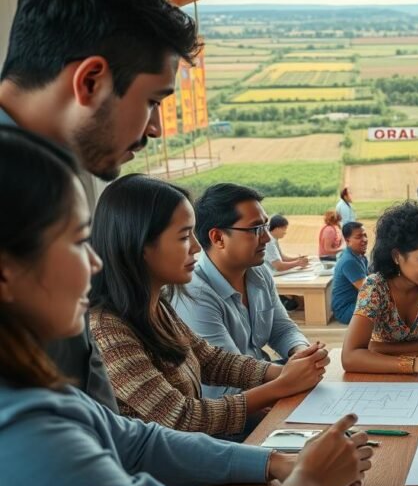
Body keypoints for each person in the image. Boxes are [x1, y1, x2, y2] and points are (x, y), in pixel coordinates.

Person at [0, 125, 372, 486]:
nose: (93, 262)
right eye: (75, 242)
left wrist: (275, 462)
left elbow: (143, 439)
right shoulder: (30, 431)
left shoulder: (47, 391)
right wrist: (307, 484)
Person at [0, 0, 201, 410]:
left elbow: (97, 415)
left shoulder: (52, 181)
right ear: (90, 81)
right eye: (152, 101)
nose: (155, 129)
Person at [88, 175, 328, 436]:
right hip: (188, 451)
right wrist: (283, 384)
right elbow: (182, 418)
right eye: (184, 237)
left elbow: (210, 360)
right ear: (139, 244)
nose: (195, 246)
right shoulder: (107, 331)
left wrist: (286, 371)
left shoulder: (156, 307)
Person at [172, 184, 325, 400]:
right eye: (255, 229)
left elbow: (281, 329)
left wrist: (302, 353)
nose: (267, 238)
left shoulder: (258, 272)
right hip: (232, 403)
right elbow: (229, 376)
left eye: (265, 226)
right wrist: (292, 376)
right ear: (218, 238)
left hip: (269, 380)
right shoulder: (195, 294)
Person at [341, 203, 418, 374]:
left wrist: (379, 348)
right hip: (382, 378)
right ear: (397, 256)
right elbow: (350, 357)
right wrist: (414, 363)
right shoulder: (376, 288)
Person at [331, 222, 369, 325]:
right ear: (348, 241)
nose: (364, 239)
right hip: (346, 311)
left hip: (356, 303)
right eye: (359, 237)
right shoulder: (349, 261)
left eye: (365, 235)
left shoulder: (360, 256)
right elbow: (367, 290)